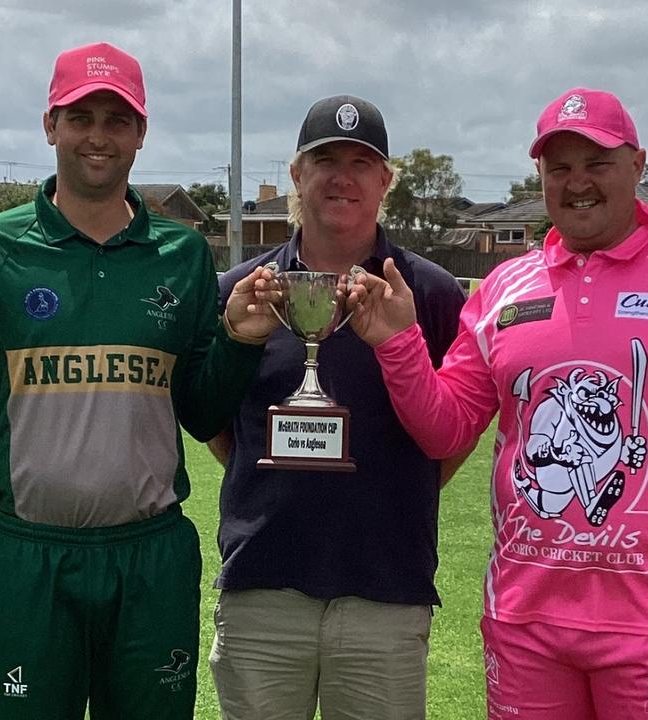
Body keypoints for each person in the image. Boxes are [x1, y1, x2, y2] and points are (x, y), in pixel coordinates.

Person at [346, 87, 648, 720]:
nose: (578, 183)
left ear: (637, 165)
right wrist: (399, 342)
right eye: (559, 168)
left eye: (596, 163)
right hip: (524, 621)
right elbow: (446, 429)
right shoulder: (505, 288)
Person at [0, 41, 279, 720]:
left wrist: (240, 342)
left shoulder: (181, 255)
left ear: (140, 134)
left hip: (150, 558)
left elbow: (198, 408)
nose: (98, 135)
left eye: (117, 119)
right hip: (28, 558)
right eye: (80, 116)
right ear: (50, 126)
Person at [206, 95, 469, 720]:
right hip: (263, 584)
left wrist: (391, 490)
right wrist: (273, 471)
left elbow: (454, 431)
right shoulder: (244, 291)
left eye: (361, 162)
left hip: (385, 586)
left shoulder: (429, 292)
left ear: (385, 180)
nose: (342, 177)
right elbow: (216, 420)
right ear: (298, 174)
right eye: (325, 159)